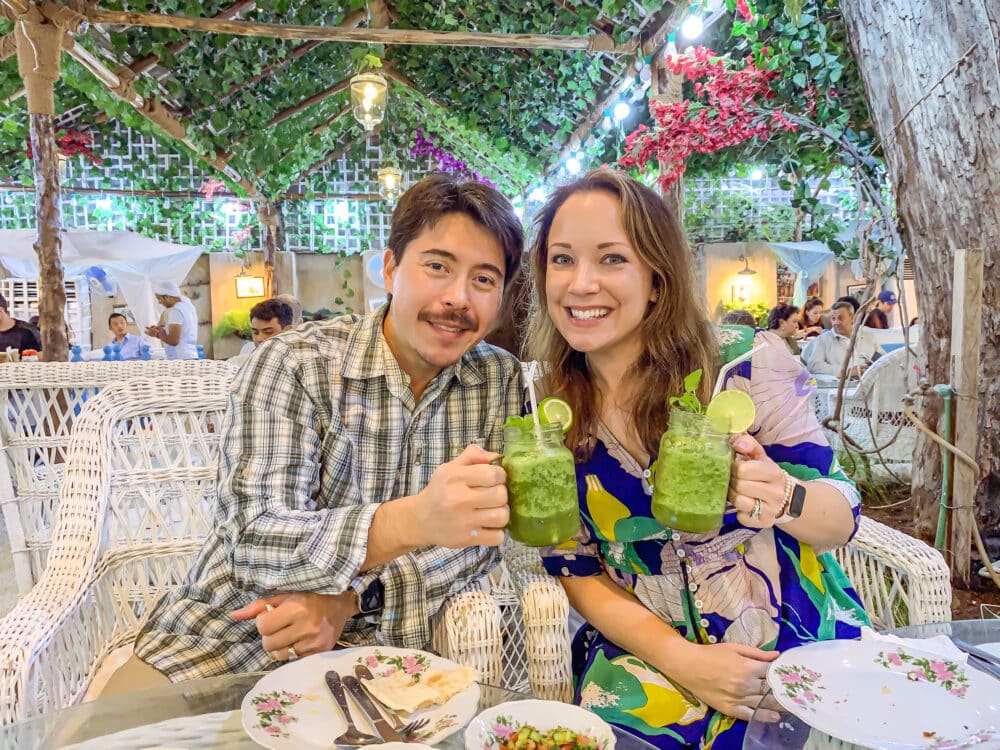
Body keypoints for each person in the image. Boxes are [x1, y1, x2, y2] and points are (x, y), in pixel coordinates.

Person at [103, 173, 525, 692]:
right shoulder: (294, 362)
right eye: (437, 266)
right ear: (392, 269)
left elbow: (482, 538)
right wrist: (413, 520)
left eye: (484, 279)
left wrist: (350, 599)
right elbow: (253, 538)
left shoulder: (497, 379)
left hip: (401, 652)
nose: (458, 297)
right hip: (237, 636)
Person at [528, 170, 867, 749]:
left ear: (657, 280)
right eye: (561, 259)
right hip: (646, 655)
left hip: (790, 635)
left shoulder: (746, 367)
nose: (581, 283)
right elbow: (576, 569)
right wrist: (685, 662)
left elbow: (841, 520)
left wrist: (783, 496)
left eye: (611, 259)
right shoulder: (548, 405)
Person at [803, 300, 884, 378]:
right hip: (842, 387)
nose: (836, 322)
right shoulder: (823, 340)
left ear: (852, 317)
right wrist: (847, 371)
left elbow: (885, 360)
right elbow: (814, 366)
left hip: (870, 382)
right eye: (833, 318)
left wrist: (873, 365)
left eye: (840, 318)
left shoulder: (868, 337)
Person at [145, 281, 198, 359]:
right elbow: (183, 333)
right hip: (190, 356)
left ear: (167, 297)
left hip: (180, 358)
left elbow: (173, 341)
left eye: (159, 299)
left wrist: (157, 334)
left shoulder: (176, 312)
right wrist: (162, 330)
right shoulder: (188, 307)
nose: (159, 302)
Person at [232, 298, 294, 365]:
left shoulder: (298, 366)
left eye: (268, 332)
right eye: (256, 333)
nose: (260, 338)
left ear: (288, 331)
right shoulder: (238, 363)